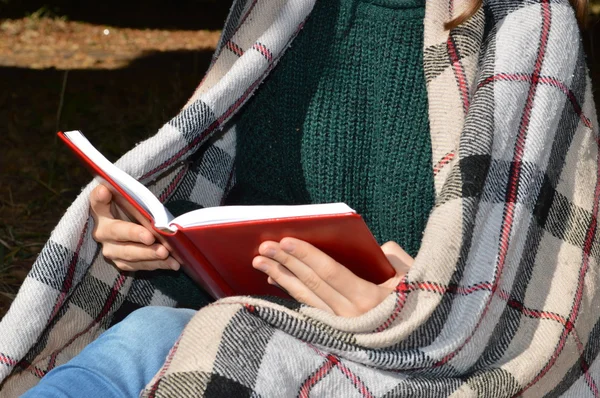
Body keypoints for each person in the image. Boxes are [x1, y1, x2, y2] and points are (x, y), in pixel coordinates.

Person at [3, 0, 597, 396]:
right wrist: (164, 240)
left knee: (210, 344)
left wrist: (422, 309)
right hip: (248, 322)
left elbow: (532, 302)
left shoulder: (524, 30)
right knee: (137, 341)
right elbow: (251, 209)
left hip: (411, 370)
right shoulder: (279, 10)